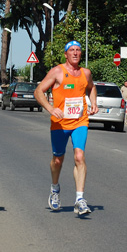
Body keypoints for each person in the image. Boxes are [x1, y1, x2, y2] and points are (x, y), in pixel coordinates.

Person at [34, 40, 99, 216]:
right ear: (66, 54)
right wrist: (51, 108)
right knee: (58, 159)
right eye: (72, 50)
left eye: (78, 50)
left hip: (80, 121)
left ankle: (80, 199)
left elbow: (92, 88)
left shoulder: (86, 73)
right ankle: (55, 189)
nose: (76, 53)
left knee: (79, 156)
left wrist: (93, 102)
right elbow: (38, 91)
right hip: (59, 123)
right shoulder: (57, 72)